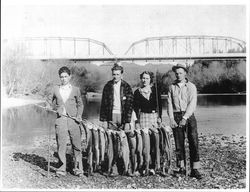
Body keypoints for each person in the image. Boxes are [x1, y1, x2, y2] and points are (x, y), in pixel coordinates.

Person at [46, 66, 84, 177]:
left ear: (70, 77)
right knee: (61, 145)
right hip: (60, 120)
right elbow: (48, 101)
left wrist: (79, 115)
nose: (63, 79)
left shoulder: (76, 89)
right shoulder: (55, 89)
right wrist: (48, 106)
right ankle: (62, 168)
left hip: (74, 121)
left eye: (65, 76)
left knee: (76, 145)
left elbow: (80, 104)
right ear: (59, 77)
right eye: (61, 77)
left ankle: (78, 169)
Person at [167, 63, 202, 179]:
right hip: (176, 116)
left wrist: (185, 118)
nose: (178, 75)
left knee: (193, 142)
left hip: (189, 116)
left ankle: (195, 169)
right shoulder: (171, 87)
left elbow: (192, 103)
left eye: (180, 73)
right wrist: (171, 118)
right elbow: (169, 104)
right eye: (176, 73)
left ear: (185, 73)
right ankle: (181, 168)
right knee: (178, 144)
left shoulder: (191, 86)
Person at [99, 62, 134, 176]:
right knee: (112, 143)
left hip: (123, 117)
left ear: (121, 75)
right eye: (114, 74)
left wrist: (128, 122)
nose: (116, 76)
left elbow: (129, 106)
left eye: (118, 74)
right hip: (111, 116)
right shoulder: (108, 86)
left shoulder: (127, 87)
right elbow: (103, 104)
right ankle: (112, 167)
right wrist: (104, 120)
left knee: (125, 143)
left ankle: (126, 166)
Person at [133, 71, 162, 175]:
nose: (145, 80)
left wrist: (160, 118)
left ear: (151, 80)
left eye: (147, 78)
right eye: (143, 78)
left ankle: (153, 166)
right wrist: (136, 122)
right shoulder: (137, 92)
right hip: (143, 118)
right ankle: (144, 166)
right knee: (144, 144)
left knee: (154, 143)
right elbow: (135, 109)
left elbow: (160, 107)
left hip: (154, 118)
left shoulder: (155, 91)